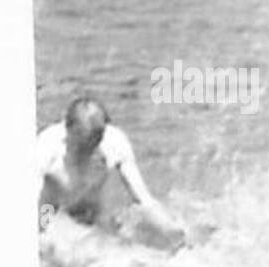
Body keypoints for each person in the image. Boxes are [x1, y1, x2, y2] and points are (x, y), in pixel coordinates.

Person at [38, 95, 186, 248]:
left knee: (117, 246)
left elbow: (143, 199)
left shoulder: (114, 142)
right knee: (50, 244)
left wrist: (171, 230)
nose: (89, 151)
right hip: (49, 212)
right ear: (68, 130)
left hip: (92, 211)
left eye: (94, 144)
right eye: (82, 145)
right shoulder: (46, 148)